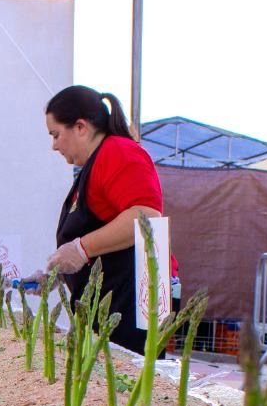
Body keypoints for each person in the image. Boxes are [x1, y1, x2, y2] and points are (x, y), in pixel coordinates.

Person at [32, 85, 168, 356]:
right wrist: (59, 270)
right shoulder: (90, 168)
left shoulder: (118, 152)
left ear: (81, 127)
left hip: (129, 307)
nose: (54, 145)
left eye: (56, 134)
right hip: (104, 305)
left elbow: (146, 216)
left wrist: (81, 249)